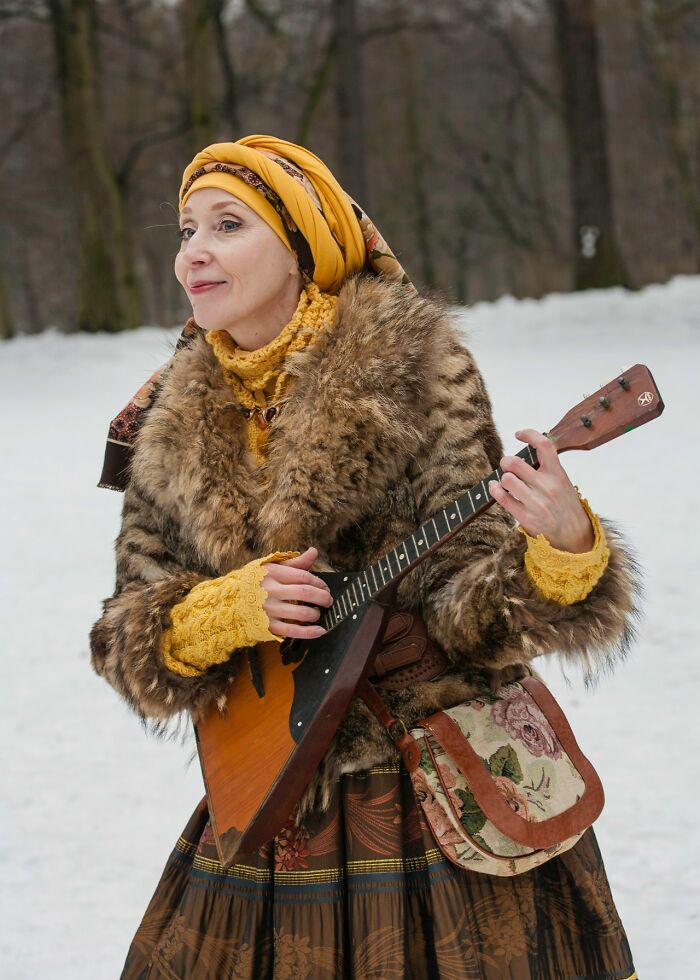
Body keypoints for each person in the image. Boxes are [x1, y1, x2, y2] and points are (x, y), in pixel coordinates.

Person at [90, 135, 638, 979]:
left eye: (228, 225)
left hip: (439, 792)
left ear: (301, 244)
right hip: (271, 795)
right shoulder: (164, 419)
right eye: (186, 228)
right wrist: (228, 611)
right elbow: (125, 635)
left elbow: (470, 611)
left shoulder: (417, 368)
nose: (193, 251)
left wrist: (563, 551)